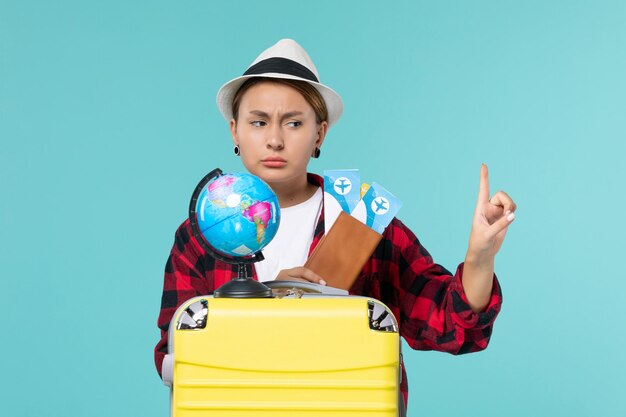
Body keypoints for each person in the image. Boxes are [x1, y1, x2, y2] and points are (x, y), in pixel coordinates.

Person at [154, 39, 517, 409]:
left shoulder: (362, 220)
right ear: (235, 131)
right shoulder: (202, 234)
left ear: (319, 134)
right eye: (258, 122)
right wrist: (272, 299)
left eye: (294, 123)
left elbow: (449, 325)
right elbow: (177, 356)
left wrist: (479, 257)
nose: (275, 140)